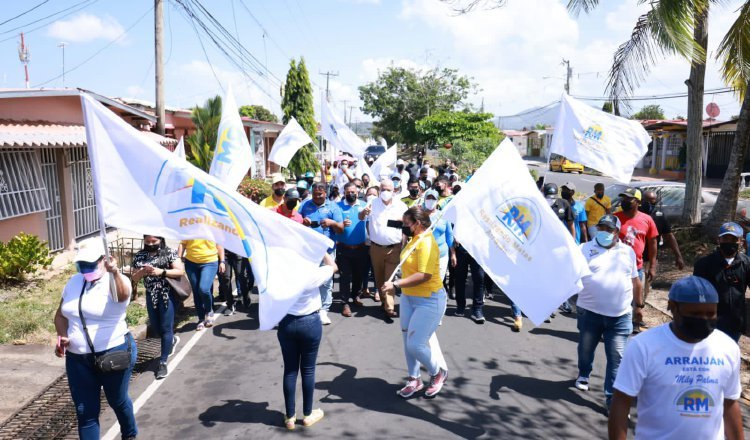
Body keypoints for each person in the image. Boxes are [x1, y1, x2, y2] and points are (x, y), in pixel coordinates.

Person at [609, 276, 744, 439]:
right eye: (695, 313)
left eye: (710, 314)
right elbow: (621, 403)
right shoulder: (643, 346)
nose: (704, 320)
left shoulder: (727, 347)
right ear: (672, 307)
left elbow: (730, 404)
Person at [53, 237, 138, 440]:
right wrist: (63, 335)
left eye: (90, 264)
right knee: (85, 411)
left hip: (113, 354)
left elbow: (123, 295)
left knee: (117, 400)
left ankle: (130, 434)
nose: (85, 269)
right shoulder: (74, 282)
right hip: (78, 360)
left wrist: (115, 272)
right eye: (81, 264)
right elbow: (60, 315)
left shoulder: (116, 281)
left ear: (104, 259)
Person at [574, 215, 642, 411]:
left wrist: (639, 306)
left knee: (617, 357)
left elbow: (635, 280)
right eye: (601, 227)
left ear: (617, 232)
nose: (604, 232)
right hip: (589, 312)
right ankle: (584, 373)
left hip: (620, 315)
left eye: (609, 229)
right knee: (586, 349)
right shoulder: (584, 249)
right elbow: (570, 274)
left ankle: (612, 399)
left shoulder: (627, 252)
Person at [381, 206, 449, 398]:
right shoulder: (413, 239)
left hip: (429, 300)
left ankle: (438, 373)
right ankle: (414, 379)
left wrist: (396, 284)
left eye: (406, 223)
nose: (403, 226)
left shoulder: (427, 243)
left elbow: (424, 275)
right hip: (409, 298)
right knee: (407, 340)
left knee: (415, 345)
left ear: (417, 223)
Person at [279, 253, 338, 430]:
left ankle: (290, 417)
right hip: (310, 323)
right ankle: (307, 413)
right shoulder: (312, 272)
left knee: (290, 370)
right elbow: (334, 266)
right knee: (308, 369)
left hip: (287, 322)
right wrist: (322, 251)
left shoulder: (280, 272)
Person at [131, 235, 185, 378]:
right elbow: (134, 278)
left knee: (167, 327)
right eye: (148, 241)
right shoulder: (140, 255)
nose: (151, 244)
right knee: (156, 326)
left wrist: (162, 272)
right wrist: (142, 272)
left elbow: (180, 271)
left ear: (161, 240)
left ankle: (162, 362)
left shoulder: (169, 253)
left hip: (167, 295)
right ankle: (171, 340)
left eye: (154, 241)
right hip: (151, 295)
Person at [693, 222, 750, 342]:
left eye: (733, 239)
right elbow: (697, 293)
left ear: (740, 241)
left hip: (736, 321)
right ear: (719, 240)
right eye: (725, 238)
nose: (729, 242)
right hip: (711, 321)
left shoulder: (746, 263)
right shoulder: (704, 264)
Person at [359, 179, 408, 319]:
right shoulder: (373, 203)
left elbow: (406, 226)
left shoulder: (401, 205)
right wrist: (364, 212)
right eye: (383, 189)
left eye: (388, 189)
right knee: (379, 277)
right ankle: (384, 301)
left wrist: (403, 243)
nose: (385, 192)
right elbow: (361, 217)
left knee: (389, 277)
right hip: (376, 248)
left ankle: (389, 307)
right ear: (379, 190)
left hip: (394, 248)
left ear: (394, 191)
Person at [299, 183, 344, 325]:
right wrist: (303, 223)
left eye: (320, 194)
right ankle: (312, 307)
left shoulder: (333, 207)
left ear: (325, 193)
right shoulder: (305, 205)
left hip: (328, 252)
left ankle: (324, 310)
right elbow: (296, 222)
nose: (317, 196)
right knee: (310, 280)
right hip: (309, 251)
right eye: (315, 194)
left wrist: (332, 223)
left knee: (326, 281)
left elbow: (341, 229)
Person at [640, 190, 685, 302]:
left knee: (645, 291)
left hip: (650, 259)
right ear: (641, 201)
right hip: (636, 259)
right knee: (636, 289)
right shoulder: (635, 214)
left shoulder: (659, 216)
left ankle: (639, 311)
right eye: (647, 201)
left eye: (652, 201)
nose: (650, 204)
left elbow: (669, 236)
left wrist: (678, 256)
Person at [613, 188, 658, 286]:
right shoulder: (614, 218)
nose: (624, 201)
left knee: (635, 299)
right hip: (615, 267)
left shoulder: (647, 220)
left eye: (628, 199)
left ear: (638, 202)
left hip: (636, 269)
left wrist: (652, 267)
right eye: (623, 198)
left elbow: (653, 243)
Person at [336, 182, 368, 317]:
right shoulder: (337, 207)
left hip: (361, 247)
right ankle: (345, 303)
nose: (351, 194)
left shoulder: (364, 205)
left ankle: (355, 296)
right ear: (344, 193)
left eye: (353, 191)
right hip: (344, 248)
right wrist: (341, 224)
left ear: (358, 192)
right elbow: (335, 225)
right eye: (348, 192)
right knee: (345, 276)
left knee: (358, 275)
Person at [178, 239, 225, 330]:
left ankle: (209, 310)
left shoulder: (212, 227)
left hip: (210, 262)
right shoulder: (189, 227)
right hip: (191, 263)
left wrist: (222, 261)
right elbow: (182, 244)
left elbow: (219, 244)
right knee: (196, 291)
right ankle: (201, 319)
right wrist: (178, 259)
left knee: (203, 289)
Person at [544, 182, 575, 314]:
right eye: (549, 196)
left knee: (560, 274)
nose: (551, 199)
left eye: (553, 196)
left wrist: (572, 242)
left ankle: (564, 301)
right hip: (543, 246)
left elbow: (570, 224)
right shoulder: (540, 204)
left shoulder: (563, 204)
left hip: (560, 245)